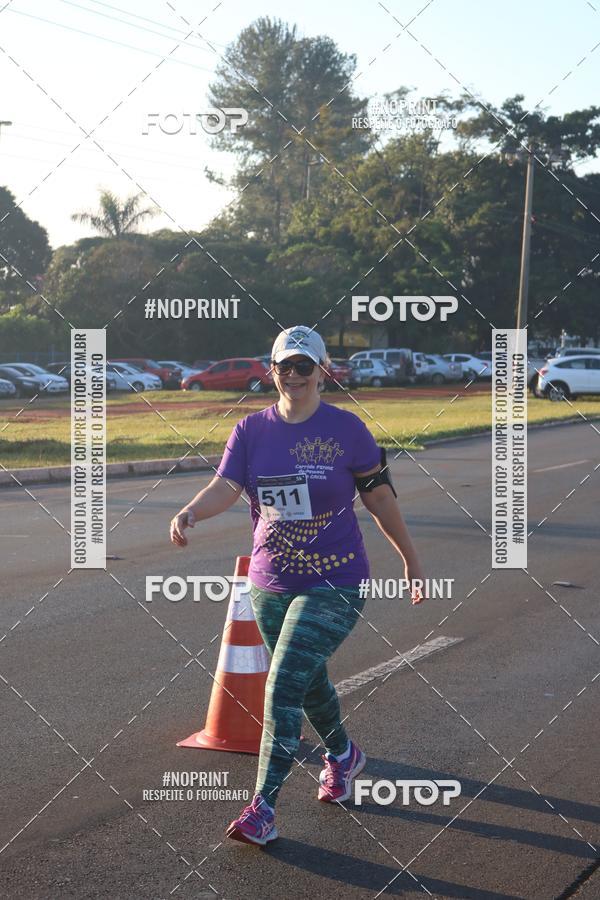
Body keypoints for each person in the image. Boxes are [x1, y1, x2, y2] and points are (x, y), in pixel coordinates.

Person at [170, 325, 425, 847]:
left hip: (337, 580)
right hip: (270, 582)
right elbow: (226, 485)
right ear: (272, 371)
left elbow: (380, 499)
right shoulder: (250, 431)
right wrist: (191, 511)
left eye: (304, 365)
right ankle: (344, 755)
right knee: (308, 683)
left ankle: (262, 808)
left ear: (322, 371)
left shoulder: (348, 430)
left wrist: (410, 560)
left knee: (283, 683)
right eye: (284, 365)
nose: (293, 375)